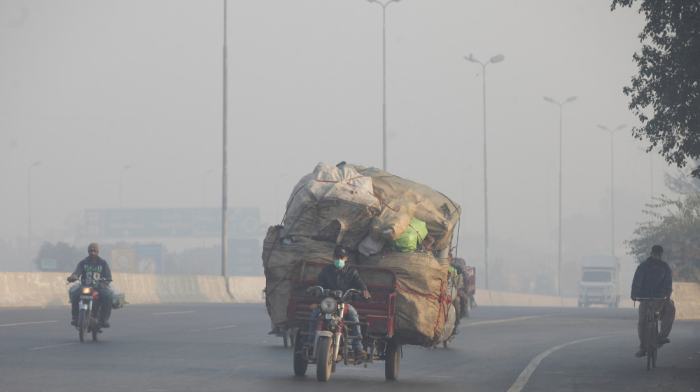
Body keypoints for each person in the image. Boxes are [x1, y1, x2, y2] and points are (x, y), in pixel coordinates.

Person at [306, 245, 371, 358]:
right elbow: (320, 284)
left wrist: (364, 290)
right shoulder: (326, 271)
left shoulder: (352, 272)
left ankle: (358, 346)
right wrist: (315, 288)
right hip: (328, 302)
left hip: (343, 302)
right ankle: (310, 342)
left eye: (341, 257)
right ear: (333, 257)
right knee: (315, 313)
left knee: (353, 314)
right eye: (337, 257)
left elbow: (360, 283)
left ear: (346, 258)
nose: (339, 260)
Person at [631, 245, 675, 358]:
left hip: (660, 298)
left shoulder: (665, 267)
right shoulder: (643, 267)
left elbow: (668, 283)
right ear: (651, 254)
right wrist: (635, 294)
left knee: (670, 308)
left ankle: (662, 337)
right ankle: (643, 347)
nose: (657, 257)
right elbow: (637, 281)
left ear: (662, 255)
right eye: (655, 254)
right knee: (642, 321)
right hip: (645, 298)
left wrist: (666, 294)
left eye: (659, 255)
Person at [67, 243, 113, 328]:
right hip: (85, 287)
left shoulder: (103, 263)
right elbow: (77, 273)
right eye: (91, 251)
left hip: (99, 287)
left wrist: (103, 284)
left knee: (107, 297)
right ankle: (76, 318)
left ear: (97, 252)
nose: (92, 253)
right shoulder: (83, 263)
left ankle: (104, 319)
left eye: (94, 251)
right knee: (75, 296)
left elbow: (108, 277)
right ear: (88, 252)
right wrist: (72, 277)